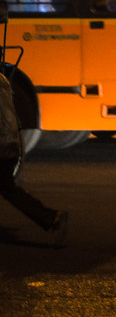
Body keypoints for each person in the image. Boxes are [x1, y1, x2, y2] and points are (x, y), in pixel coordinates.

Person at [0, 72, 68, 248]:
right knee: (7, 188)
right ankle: (51, 218)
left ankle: (52, 218)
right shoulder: (3, 80)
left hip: (3, 146)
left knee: (7, 188)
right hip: (10, 144)